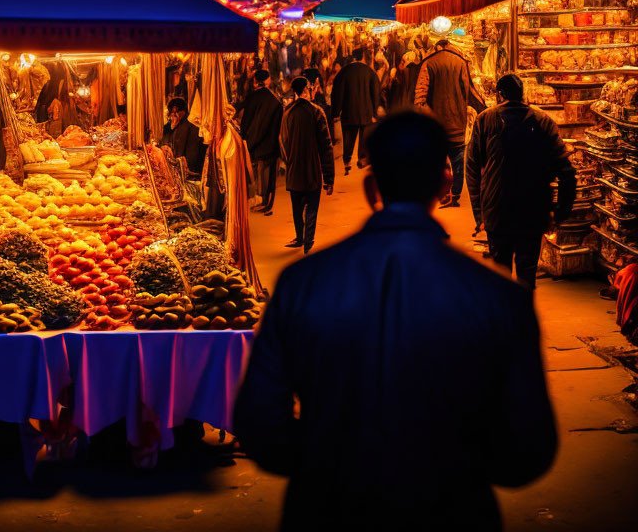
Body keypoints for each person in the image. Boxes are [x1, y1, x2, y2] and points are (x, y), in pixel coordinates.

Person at [233, 111, 557, 531]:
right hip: (453, 512)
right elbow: (528, 450)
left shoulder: (301, 284)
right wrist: (454, 463)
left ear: (371, 187)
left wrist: (327, 458)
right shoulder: (500, 297)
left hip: (327, 509)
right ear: (445, 182)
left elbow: (259, 425)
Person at [466, 73, 575, 290]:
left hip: (497, 211)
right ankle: (523, 319)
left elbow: (472, 169)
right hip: (533, 212)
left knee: (500, 274)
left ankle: (505, 321)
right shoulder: (543, 121)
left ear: (499, 95)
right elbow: (567, 173)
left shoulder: (484, 120)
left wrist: (480, 214)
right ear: (522, 94)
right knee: (527, 275)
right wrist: (558, 213)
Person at [415, 38, 487, 208]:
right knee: (458, 160)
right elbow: (469, 90)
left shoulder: (429, 63)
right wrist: (484, 107)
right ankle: (455, 194)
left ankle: (443, 193)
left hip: (436, 126)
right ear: (448, 45)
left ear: (438, 47)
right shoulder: (461, 62)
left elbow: (420, 96)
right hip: (457, 121)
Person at [279, 76, 334, 253]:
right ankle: (308, 242)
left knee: (296, 207)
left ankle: (300, 237)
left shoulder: (288, 113)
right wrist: (329, 178)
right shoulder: (317, 112)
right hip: (313, 171)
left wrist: (289, 161)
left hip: (294, 170)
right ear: (306, 90)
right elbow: (326, 147)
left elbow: (283, 141)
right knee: (311, 207)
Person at [331, 47, 380, 176]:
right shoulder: (369, 72)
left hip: (348, 111)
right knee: (364, 135)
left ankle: (347, 161)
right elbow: (375, 92)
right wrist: (375, 110)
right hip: (366, 110)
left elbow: (337, 93)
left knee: (348, 136)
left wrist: (336, 112)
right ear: (363, 57)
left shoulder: (344, 72)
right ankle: (362, 158)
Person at [241, 69, 283, 215]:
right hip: (271, 143)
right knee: (270, 175)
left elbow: (245, 119)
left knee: (261, 172)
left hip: (255, 142)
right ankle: (267, 204)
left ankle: (263, 202)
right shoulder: (274, 100)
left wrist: (247, 137)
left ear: (255, 81)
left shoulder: (251, 98)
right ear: (268, 80)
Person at [161, 97, 204, 175]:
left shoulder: (191, 128)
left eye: (177, 111)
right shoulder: (167, 127)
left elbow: (192, 156)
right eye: (172, 112)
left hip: (189, 173)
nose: (175, 115)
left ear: (184, 112)